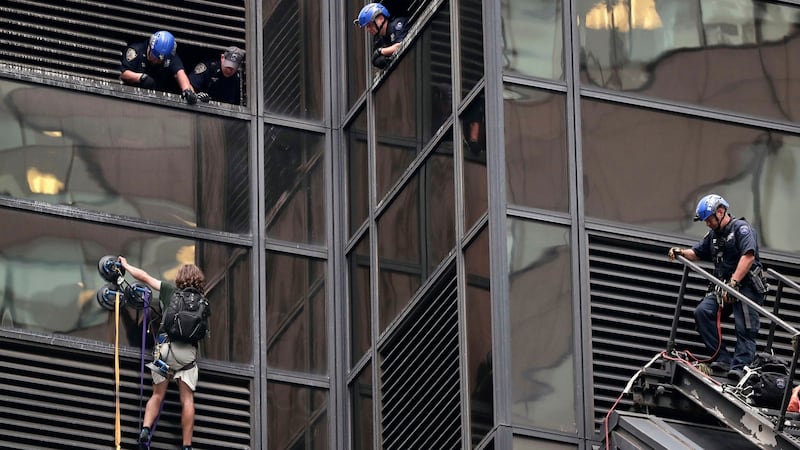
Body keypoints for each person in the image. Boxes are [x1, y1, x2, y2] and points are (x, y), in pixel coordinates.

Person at [668, 194, 768, 381]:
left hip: (746, 287)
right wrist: (680, 251)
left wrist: (734, 283)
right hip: (724, 288)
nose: (707, 224)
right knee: (703, 312)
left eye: (709, 220)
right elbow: (697, 252)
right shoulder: (713, 235)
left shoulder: (742, 229)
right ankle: (722, 359)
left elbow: (748, 256)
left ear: (720, 212)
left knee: (745, 329)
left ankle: (740, 368)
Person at [118, 256, 205, 450]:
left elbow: (145, 277)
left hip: (164, 350)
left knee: (157, 395)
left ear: (179, 278)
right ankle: (187, 446)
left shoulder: (169, 291)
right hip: (187, 355)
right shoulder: (202, 301)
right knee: (187, 400)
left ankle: (146, 431)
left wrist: (125, 265)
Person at [120, 30, 198, 105]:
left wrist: (187, 91)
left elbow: (180, 73)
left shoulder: (170, 57)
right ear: (150, 47)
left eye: (160, 60)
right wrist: (141, 77)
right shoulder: (136, 51)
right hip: (132, 96)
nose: (156, 61)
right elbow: (123, 73)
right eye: (154, 57)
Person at [353, 3, 409, 69]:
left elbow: (401, 45)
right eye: (367, 27)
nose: (368, 29)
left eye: (370, 25)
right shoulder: (381, 40)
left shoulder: (397, 25)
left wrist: (380, 51)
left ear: (381, 19)